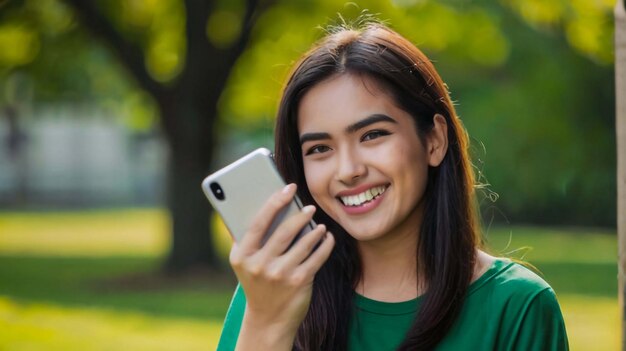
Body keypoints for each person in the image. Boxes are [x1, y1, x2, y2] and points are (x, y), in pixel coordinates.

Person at [216, 20, 569, 351]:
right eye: (320, 148)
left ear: (434, 141)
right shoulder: (270, 292)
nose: (348, 170)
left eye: (373, 135)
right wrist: (267, 324)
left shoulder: (517, 306)